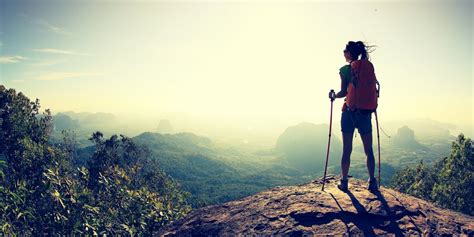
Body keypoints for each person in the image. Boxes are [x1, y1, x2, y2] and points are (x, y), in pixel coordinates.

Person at [331, 41, 378, 192]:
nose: (343, 53)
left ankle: (344, 182)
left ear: (350, 53)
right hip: (365, 113)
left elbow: (343, 92)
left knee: (347, 150)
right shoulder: (368, 67)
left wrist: (333, 96)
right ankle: (372, 182)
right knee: (368, 150)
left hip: (349, 113)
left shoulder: (345, 70)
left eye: (345, 50)